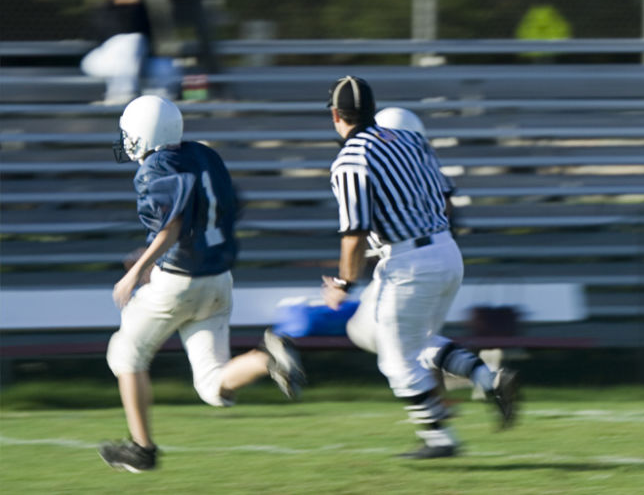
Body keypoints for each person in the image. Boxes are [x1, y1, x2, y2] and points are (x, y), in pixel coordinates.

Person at [100, 95, 305, 473]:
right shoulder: (204, 155)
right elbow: (225, 207)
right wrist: (152, 253)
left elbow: (173, 225)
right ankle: (266, 358)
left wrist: (137, 269)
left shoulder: (153, 169)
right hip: (218, 280)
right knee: (212, 385)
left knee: (125, 353)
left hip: (178, 282)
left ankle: (141, 449)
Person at [321, 77, 519, 459]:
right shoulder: (409, 141)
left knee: (396, 360)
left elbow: (354, 232)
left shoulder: (350, 159)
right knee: (374, 332)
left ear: (335, 115)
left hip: (408, 263)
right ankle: (487, 378)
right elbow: (445, 198)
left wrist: (343, 282)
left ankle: (439, 440)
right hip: (445, 251)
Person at [81, 0, 153, 105]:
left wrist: (134, 7)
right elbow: (115, 34)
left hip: (134, 63)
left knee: (165, 66)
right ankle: (121, 97)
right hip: (100, 61)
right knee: (130, 41)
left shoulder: (141, 11)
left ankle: (160, 105)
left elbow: (149, 42)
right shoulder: (104, 10)